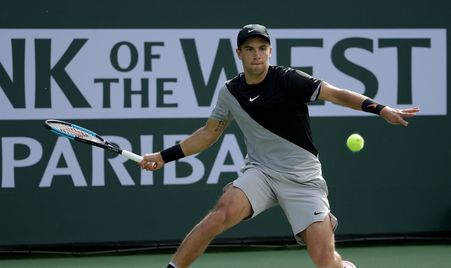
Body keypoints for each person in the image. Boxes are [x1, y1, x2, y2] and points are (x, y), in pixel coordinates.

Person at [140, 24, 420, 268]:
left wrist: (380, 109)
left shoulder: (288, 79)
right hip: (261, 172)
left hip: (302, 178)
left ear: (270, 51)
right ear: (239, 53)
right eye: (249, 49)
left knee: (324, 259)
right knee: (220, 214)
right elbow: (208, 133)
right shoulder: (230, 91)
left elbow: (336, 94)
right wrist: (164, 157)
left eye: (262, 48)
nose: (256, 54)